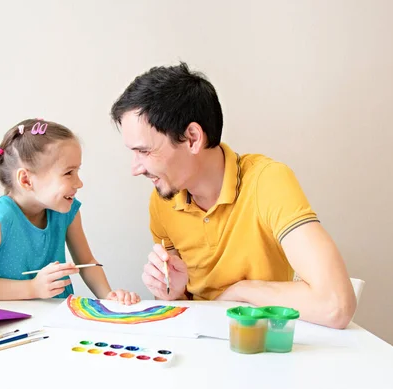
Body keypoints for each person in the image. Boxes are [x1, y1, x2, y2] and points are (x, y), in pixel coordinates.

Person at [110, 63, 356, 328]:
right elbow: (186, 311)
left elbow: (336, 305)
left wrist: (242, 292)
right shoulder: (162, 200)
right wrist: (174, 294)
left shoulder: (267, 181)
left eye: (144, 152)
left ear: (192, 138)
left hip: (261, 342)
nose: (135, 168)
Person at [0, 118, 140, 305]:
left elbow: (87, 262)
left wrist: (108, 296)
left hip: (56, 317)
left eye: (77, 171)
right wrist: (32, 288)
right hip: (12, 322)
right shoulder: (0, 218)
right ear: (26, 180)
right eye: (69, 173)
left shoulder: (67, 210)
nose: (79, 183)